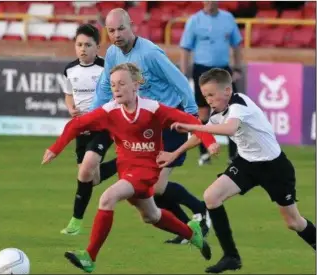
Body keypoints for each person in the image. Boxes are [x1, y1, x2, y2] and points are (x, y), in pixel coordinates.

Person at [42, 63, 219, 273]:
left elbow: (191, 121)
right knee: (151, 216)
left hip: (146, 170)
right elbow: (76, 125)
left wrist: (210, 142)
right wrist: (56, 148)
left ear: (136, 85)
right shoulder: (109, 111)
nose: (116, 88)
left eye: (122, 84)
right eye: (113, 84)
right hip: (126, 170)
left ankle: (89, 257)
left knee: (107, 198)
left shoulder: (152, 109)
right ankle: (192, 234)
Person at [157, 68, 316, 273]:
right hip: (246, 164)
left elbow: (230, 129)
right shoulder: (218, 112)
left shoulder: (239, 104)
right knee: (211, 197)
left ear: (227, 90)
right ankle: (231, 257)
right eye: (205, 96)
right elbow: (199, 135)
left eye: (212, 95)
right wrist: (174, 154)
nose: (209, 100)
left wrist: (195, 127)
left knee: (294, 222)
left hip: (274, 167)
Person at [91, 7, 212, 244]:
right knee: (150, 189)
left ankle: (201, 210)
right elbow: (105, 87)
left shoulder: (149, 53)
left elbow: (179, 81)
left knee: (154, 187)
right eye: (112, 30)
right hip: (147, 126)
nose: (117, 34)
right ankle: (186, 228)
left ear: (132, 26)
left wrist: (190, 117)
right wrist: (94, 117)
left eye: (121, 28)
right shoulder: (114, 54)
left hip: (171, 121)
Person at [61, 24, 117, 235]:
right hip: (81, 128)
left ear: (97, 47)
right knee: (89, 178)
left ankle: (76, 221)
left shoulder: (106, 68)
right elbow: (68, 94)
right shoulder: (69, 70)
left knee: (87, 168)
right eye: (79, 44)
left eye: (87, 45)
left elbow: (116, 94)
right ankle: (122, 163)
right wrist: (70, 107)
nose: (82, 49)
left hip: (103, 127)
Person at [180, 1, 242, 165]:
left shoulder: (228, 18)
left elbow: (236, 46)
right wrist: (184, 75)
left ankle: (233, 156)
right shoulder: (194, 20)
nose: (209, 2)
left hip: (223, 69)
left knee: (233, 111)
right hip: (202, 70)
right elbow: (186, 48)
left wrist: (237, 68)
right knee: (203, 113)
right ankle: (204, 153)